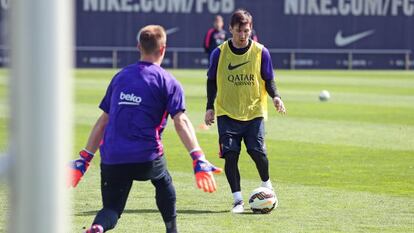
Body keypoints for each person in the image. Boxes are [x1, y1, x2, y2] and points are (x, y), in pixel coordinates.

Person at [69, 25, 222, 233]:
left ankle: (97, 227)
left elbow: (103, 121)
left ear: (138, 46)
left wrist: (84, 159)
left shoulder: (120, 77)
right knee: (163, 181)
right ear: (163, 49)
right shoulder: (168, 81)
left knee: (111, 208)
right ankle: (172, 229)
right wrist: (198, 157)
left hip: (112, 157)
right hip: (146, 157)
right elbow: (181, 121)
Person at [204, 9, 286, 214]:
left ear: (251, 30)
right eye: (239, 31)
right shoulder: (219, 53)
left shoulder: (260, 52)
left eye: (246, 31)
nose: (242, 35)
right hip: (227, 112)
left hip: (254, 112)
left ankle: (267, 186)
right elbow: (211, 80)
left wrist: (276, 96)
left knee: (256, 151)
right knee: (231, 156)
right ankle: (237, 200)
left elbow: (269, 79)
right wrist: (209, 107)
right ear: (230, 29)